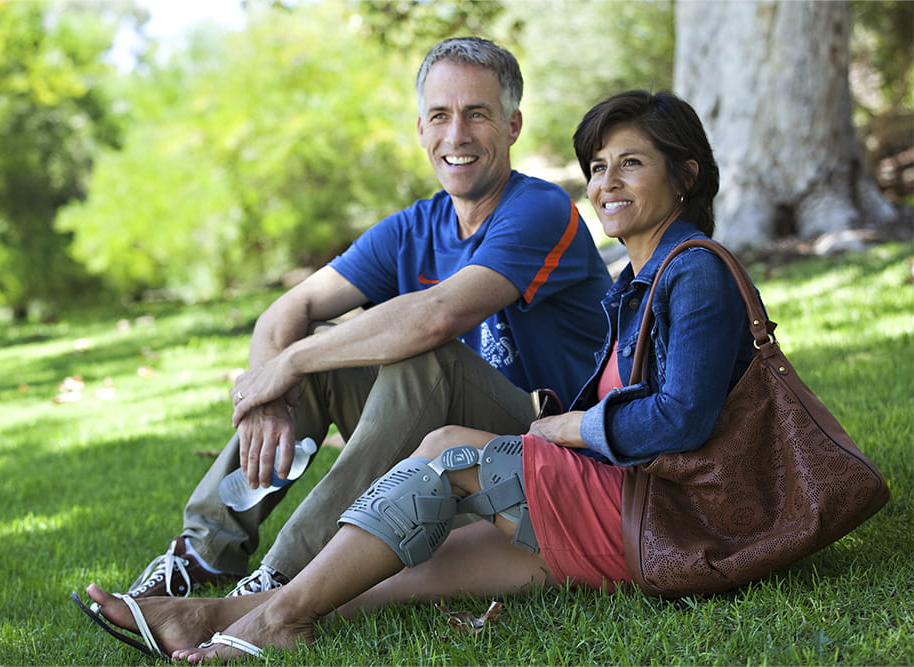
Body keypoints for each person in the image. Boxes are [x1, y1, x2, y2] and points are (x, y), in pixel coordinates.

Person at [75, 88, 761, 663]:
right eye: (599, 166)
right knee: (401, 572)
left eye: (630, 164)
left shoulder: (690, 269)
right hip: (615, 496)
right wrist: (274, 385)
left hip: (651, 510)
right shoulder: (638, 280)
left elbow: (679, 419)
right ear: (420, 127)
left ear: (686, 175)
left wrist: (566, 427)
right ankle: (210, 600)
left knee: (441, 442)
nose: (606, 183)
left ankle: (276, 600)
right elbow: (292, 309)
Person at [120, 36, 612, 601]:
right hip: (441, 453)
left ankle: (285, 575)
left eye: (477, 114)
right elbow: (288, 310)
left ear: (512, 126)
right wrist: (268, 398)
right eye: (440, 116)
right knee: (326, 358)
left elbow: (437, 316)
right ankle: (202, 552)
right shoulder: (412, 228)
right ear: (421, 128)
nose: (456, 135)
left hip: (546, 461)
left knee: (421, 356)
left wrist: (291, 361)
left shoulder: (541, 209)